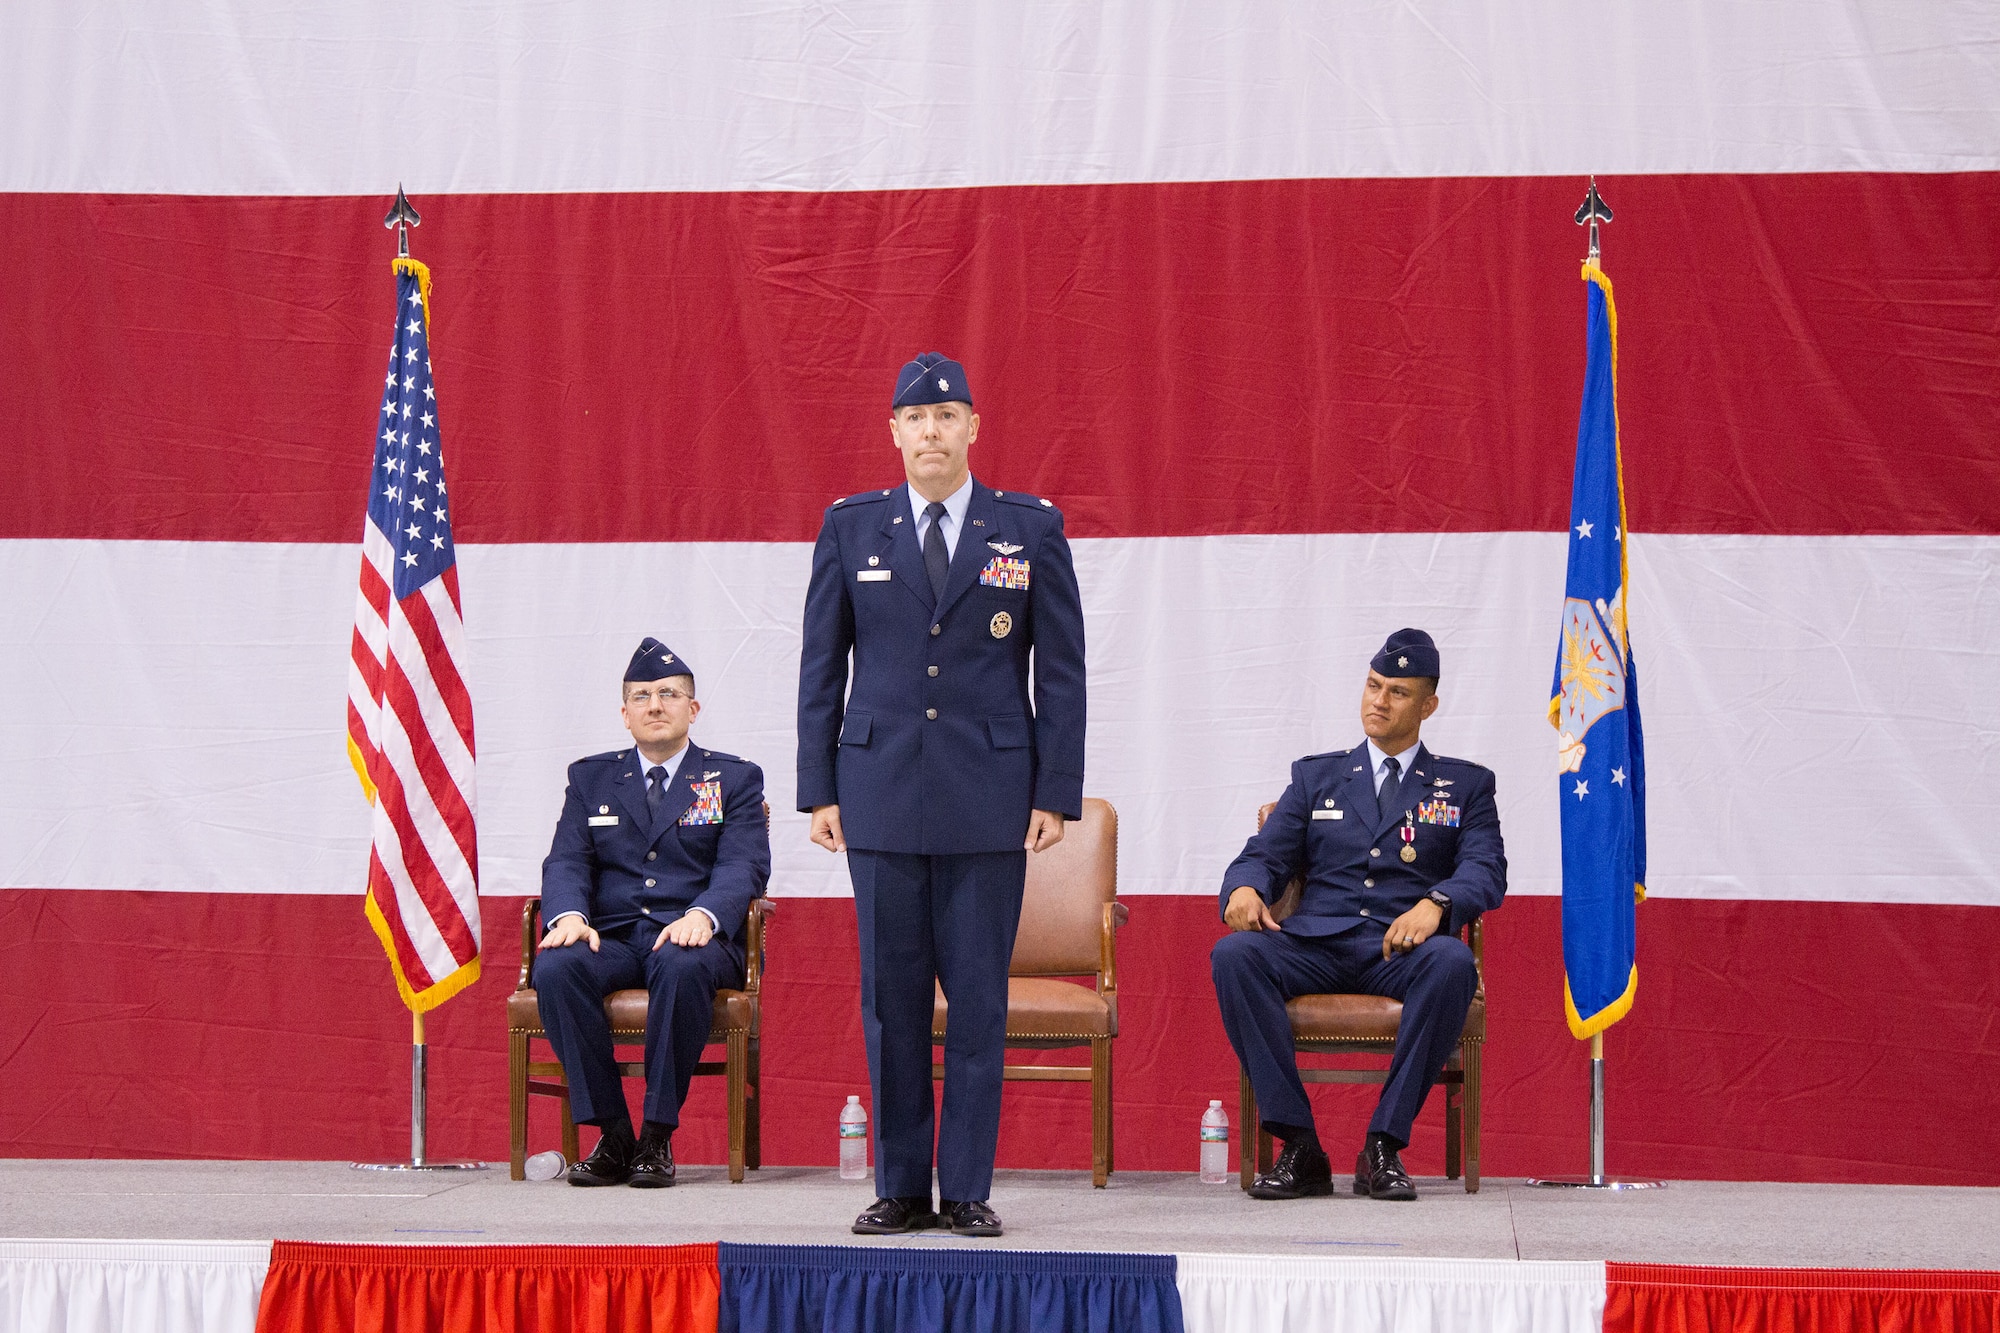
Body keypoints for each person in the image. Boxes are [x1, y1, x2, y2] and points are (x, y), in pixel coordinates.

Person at [796, 352, 1087, 1237]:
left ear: (972, 428)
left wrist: (1054, 791)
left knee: (977, 1000)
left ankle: (964, 1188)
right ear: (893, 431)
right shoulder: (851, 528)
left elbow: (1062, 672)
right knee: (890, 1003)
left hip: (989, 794)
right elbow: (821, 667)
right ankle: (899, 1186)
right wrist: (819, 787)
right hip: (878, 790)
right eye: (916, 419)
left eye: (948, 415)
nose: (932, 431)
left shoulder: (1027, 528)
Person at [1212, 628, 1506, 1202]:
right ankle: (1299, 1146)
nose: (1378, 701)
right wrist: (1244, 889)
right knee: (1236, 955)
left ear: (1428, 705)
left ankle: (1382, 1146)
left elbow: (1485, 870)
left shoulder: (1465, 786)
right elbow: (1266, 855)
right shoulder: (1316, 776)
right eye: (1373, 686)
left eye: (1397, 692)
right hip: (1315, 945)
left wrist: (1437, 903)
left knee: (1452, 963)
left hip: (1398, 951)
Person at [534, 637, 770, 1187]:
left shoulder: (733, 779)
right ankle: (614, 1134)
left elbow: (744, 866)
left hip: (693, 939)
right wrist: (569, 916)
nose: (655, 705)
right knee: (556, 968)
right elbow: (566, 858)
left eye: (668, 694)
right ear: (624, 714)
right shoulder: (590, 777)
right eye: (641, 696)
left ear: (694, 708)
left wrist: (705, 915)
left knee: (683, 965)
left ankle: (657, 1135)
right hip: (611, 938)